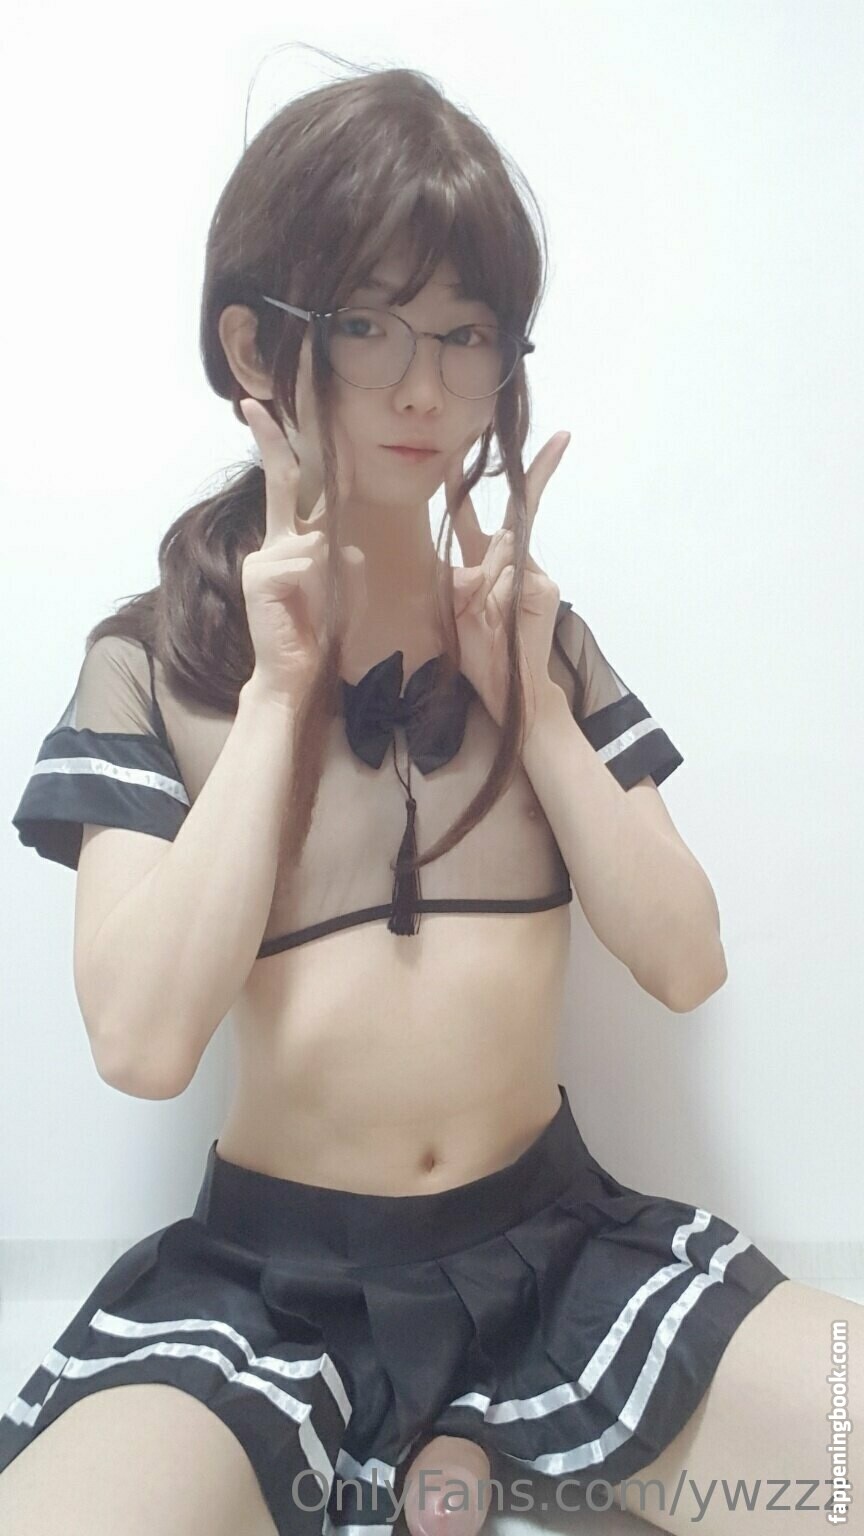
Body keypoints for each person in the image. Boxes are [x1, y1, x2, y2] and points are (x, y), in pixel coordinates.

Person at [0, 54, 858, 1536]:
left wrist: (535, 701)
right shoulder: (158, 663)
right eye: (368, 323)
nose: (423, 386)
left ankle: (463, 1449)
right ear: (257, 342)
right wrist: (278, 696)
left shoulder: (541, 644)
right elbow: (139, 1044)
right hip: (272, 1287)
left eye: (465, 334)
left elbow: (686, 960)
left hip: (557, 1253)